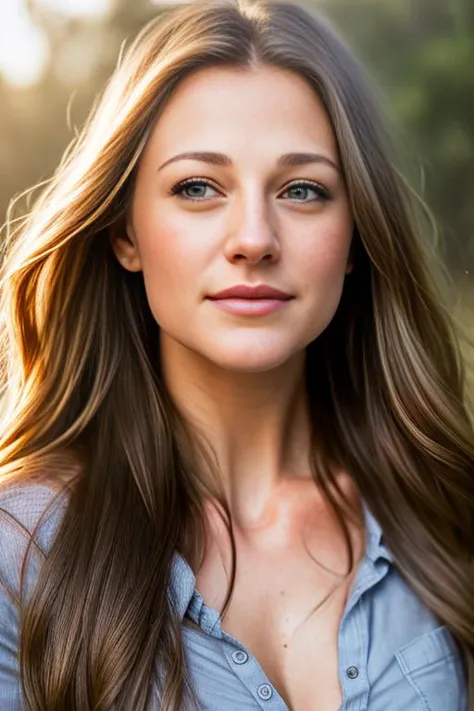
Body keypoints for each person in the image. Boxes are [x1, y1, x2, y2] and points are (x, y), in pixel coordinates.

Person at [0, 0, 472, 708]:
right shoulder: (21, 553)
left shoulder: (443, 504)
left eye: (303, 190)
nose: (254, 237)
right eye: (198, 188)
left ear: (356, 238)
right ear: (124, 233)